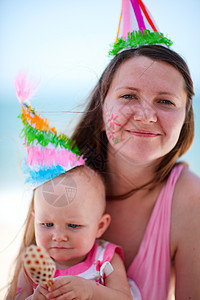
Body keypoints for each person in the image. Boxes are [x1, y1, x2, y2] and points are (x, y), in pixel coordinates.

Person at [71, 44, 200, 299]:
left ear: (185, 118)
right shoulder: (62, 179)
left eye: (165, 101)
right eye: (129, 96)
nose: (145, 115)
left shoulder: (191, 199)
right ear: (100, 109)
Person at [7, 165, 141, 300]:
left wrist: (91, 291)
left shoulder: (105, 258)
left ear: (100, 226)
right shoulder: (34, 264)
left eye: (73, 225)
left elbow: (124, 297)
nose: (58, 237)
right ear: (35, 220)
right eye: (47, 224)